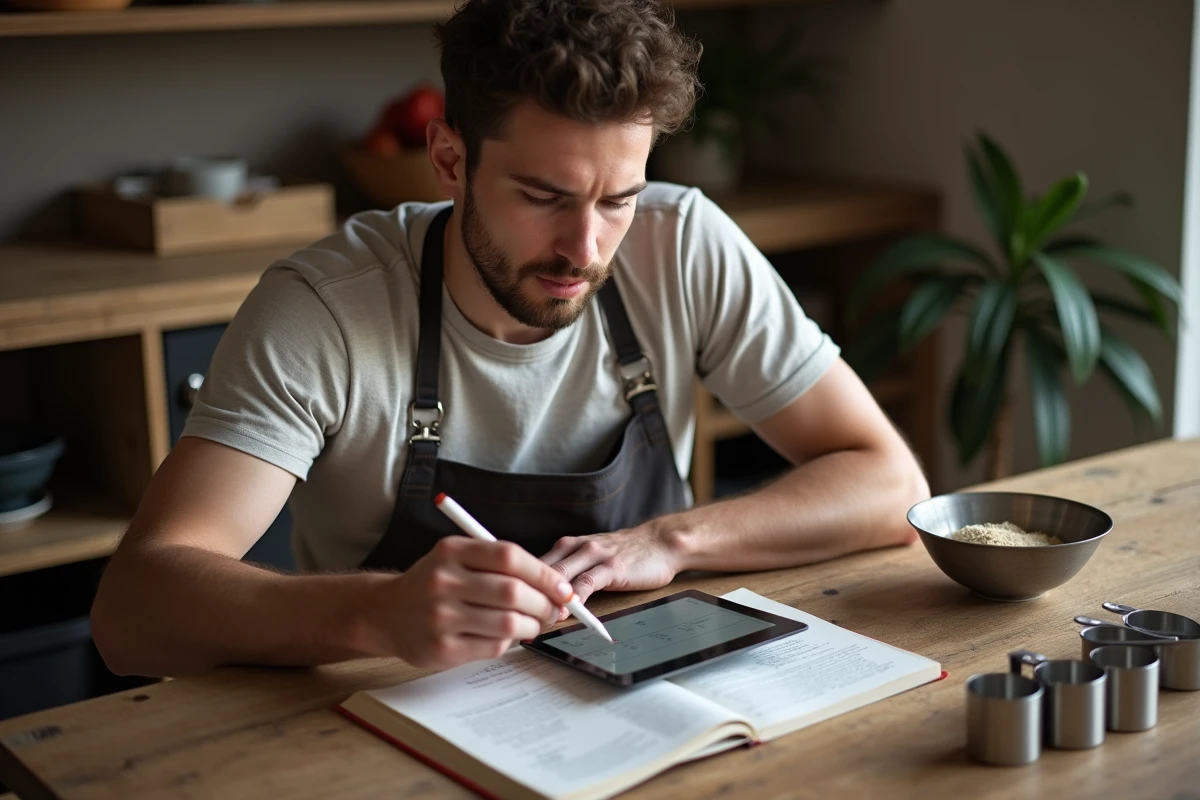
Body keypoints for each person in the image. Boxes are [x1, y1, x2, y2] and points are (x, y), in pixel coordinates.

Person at [90, 0, 929, 679]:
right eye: (543, 196)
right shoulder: (326, 310)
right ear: (449, 161)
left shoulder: (681, 245)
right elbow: (132, 612)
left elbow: (891, 483)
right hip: (386, 711)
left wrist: (672, 541)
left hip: (641, 682)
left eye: (618, 200)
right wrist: (375, 612)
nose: (585, 250)